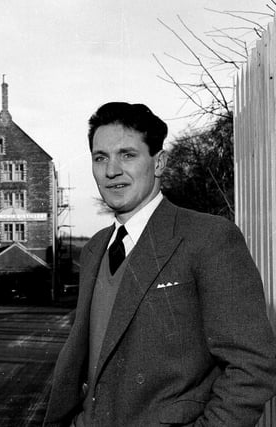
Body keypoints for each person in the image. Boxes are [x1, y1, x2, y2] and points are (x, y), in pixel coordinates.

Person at [44, 102, 276, 426]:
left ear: (159, 162)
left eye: (128, 155)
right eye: (101, 158)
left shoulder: (208, 238)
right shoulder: (95, 248)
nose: (112, 170)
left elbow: (253, 366)